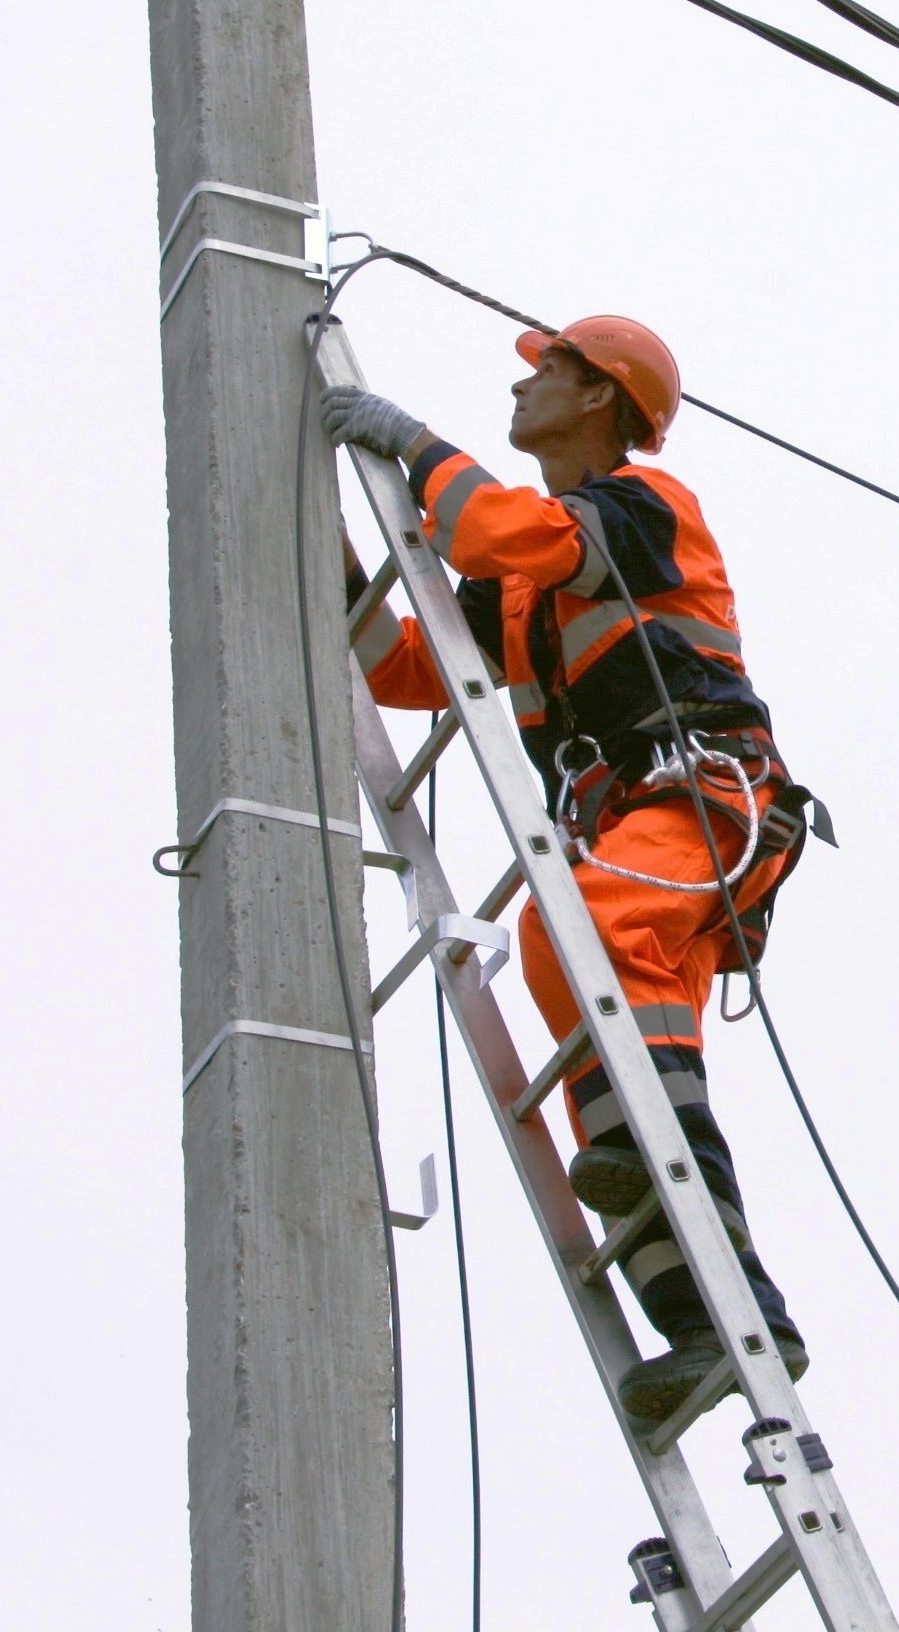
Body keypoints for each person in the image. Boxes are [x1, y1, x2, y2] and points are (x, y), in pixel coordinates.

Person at [320, 314, 819, 1426]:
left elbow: (493, 530)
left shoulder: (645, 508)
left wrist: (410, 442)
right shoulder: (523, 586)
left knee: (579, 934)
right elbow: (407, 669)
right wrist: (331, 543)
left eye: (546, 368)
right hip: (642, 831)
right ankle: (717, 1321)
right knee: (588, 1000)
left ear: (599, 395)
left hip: (705, 801)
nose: (523, 385)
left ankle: (648, 1159)